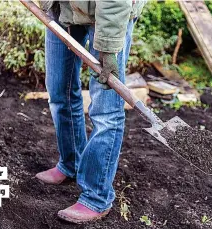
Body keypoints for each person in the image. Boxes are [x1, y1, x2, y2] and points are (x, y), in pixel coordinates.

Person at [36, 0, 146, 224]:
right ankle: (71, 164)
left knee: (105, 110)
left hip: (107, 16)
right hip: (63, 7)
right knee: (60, 93)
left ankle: (96, 197)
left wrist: (109, 46)